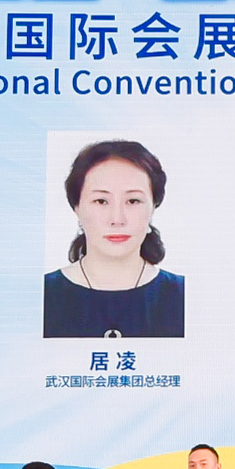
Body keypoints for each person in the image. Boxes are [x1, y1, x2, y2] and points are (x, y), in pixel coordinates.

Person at [43, 140, 186, 338]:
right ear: (77, 207)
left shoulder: (185, 295)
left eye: (133, 201)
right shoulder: (40, 295)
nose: (117, 219)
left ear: (153, 206)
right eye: (101, 201)